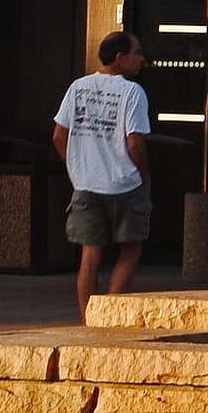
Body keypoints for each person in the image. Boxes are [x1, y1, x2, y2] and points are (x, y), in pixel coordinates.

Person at [52, 31, 151, 318]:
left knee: (89, 258)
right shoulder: (132, 92)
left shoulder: (78, 87)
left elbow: (59, 134)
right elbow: (134, 141)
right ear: (120, 58)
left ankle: (87, 317)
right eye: (137, 53)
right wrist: (144, 173)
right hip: (125, 182)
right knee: (130, 250)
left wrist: (75, 166)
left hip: (86, 184)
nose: (141, 60)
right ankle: (109, 314)